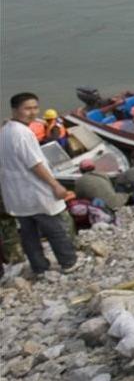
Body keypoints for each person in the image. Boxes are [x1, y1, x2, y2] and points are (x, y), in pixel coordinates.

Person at [0, 92, 77, 274]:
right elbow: (35, 164)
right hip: (34, 190)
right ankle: (68, 262)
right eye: (27, 108)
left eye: (35, 108)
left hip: (16, 193)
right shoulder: (23, 133)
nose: (33, 112)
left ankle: (39, 267)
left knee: (28, 233)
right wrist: (55, 185)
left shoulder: (5, 131)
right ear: (15, 110)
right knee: (54, 228)